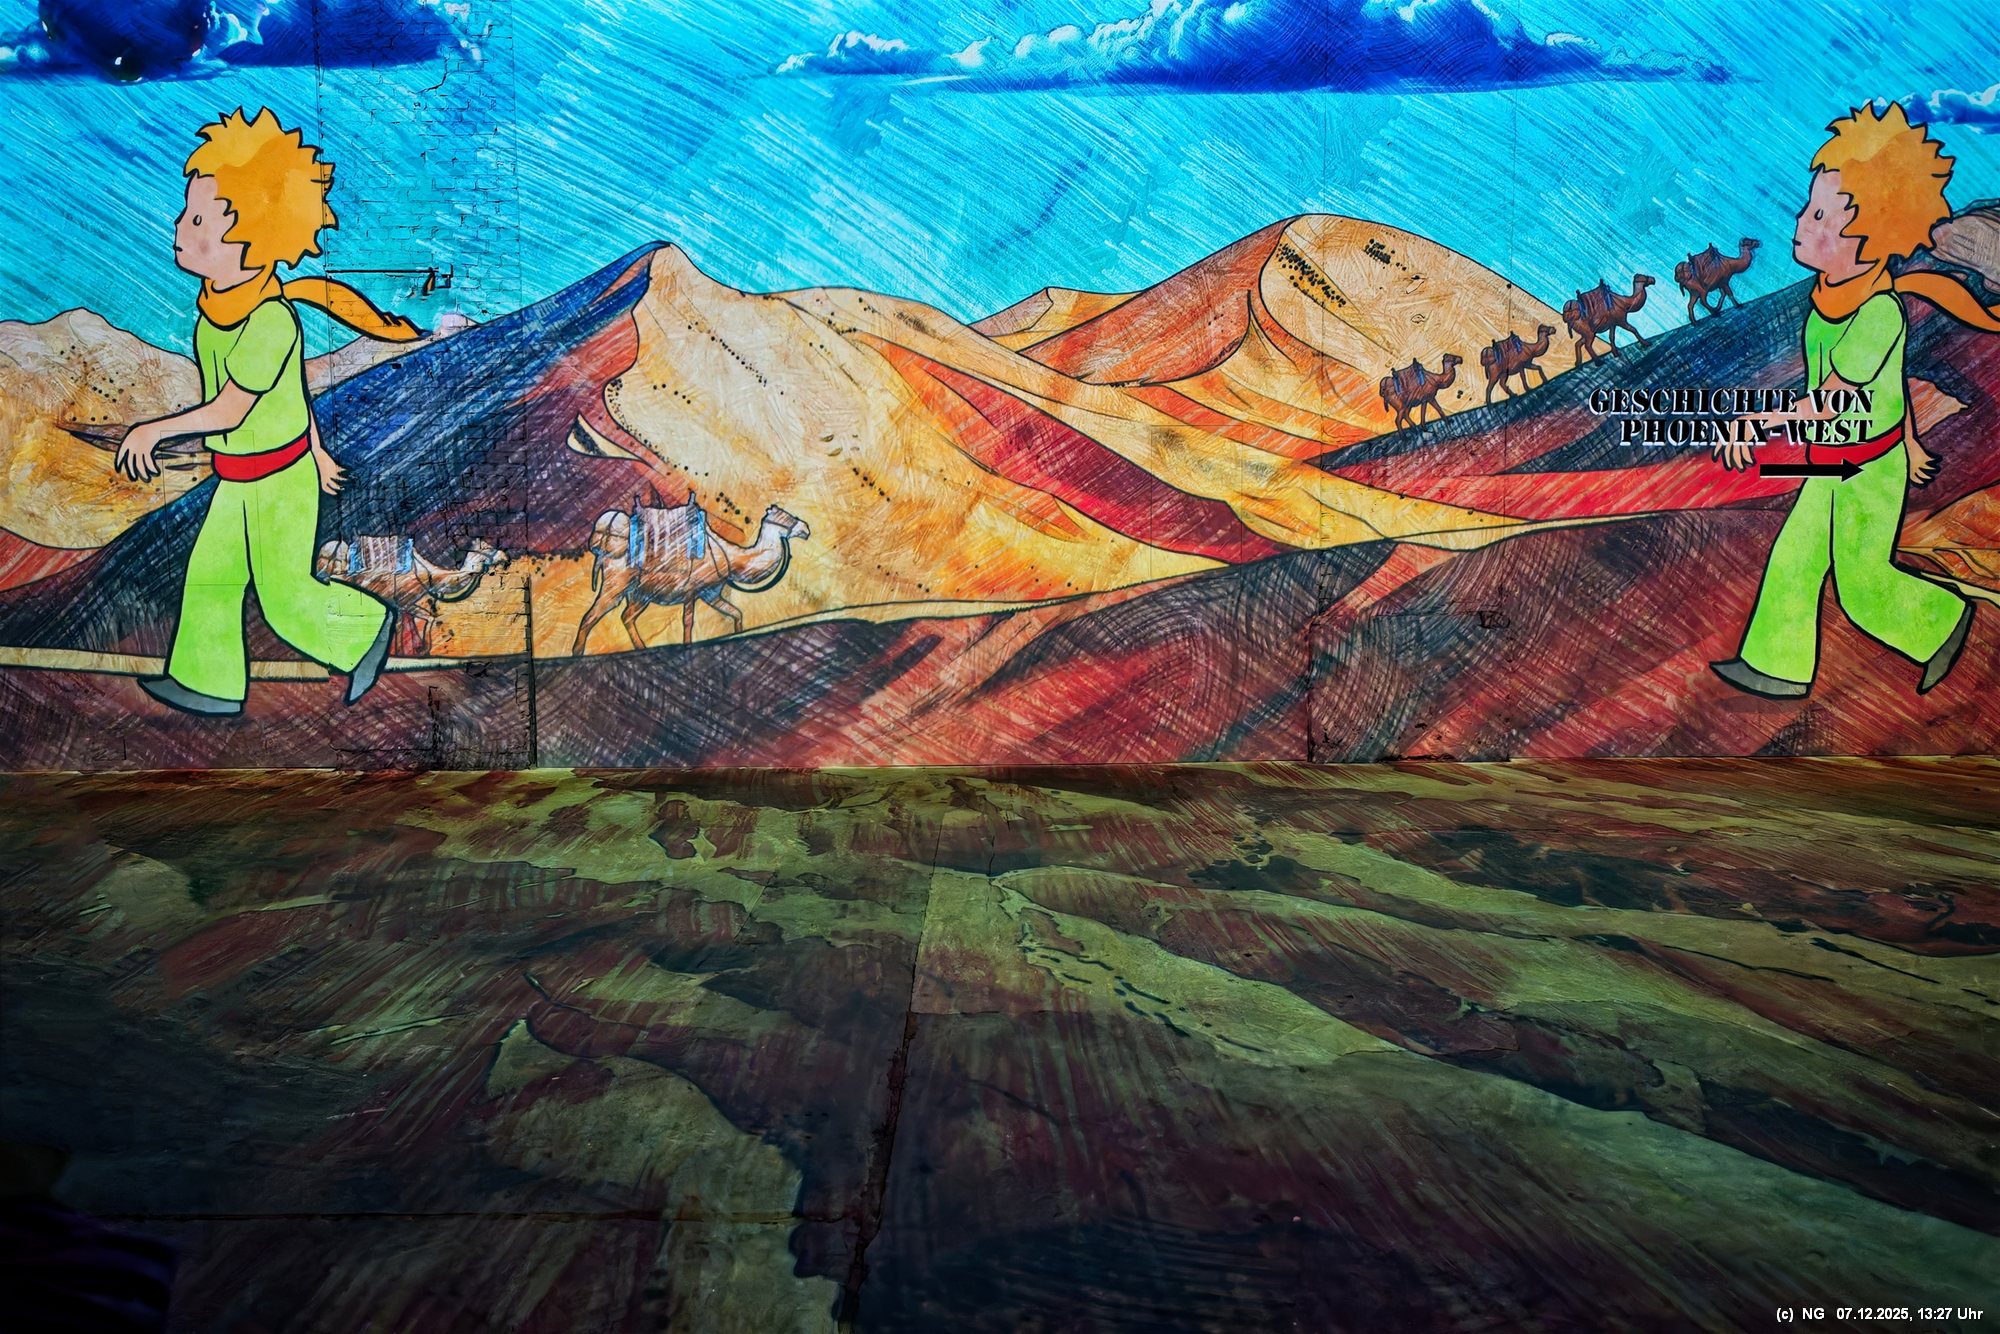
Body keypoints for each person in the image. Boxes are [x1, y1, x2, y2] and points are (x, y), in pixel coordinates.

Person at [113, 108, 423, 717]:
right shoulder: (217, 307)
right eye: (186, 213)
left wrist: (155, 430)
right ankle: (207, 682)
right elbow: (292, 395)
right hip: (238, 477)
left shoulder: (269, 320)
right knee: (211, 577)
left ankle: (365, 630)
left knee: (284, 600)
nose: (179, 226)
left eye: (197, 219)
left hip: (279, 480)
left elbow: (232, 408)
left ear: (251, 237)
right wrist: (320, 448)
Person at [1711, 100, 1998, 699]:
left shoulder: (1877, 313)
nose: (1801, 222)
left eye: (1820, 214)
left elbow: (1832, 401)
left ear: (1871, 236)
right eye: (1808, 208)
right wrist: (1913, 440)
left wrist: (1756, 424)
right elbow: (1888, 385)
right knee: (1794, 557)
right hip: (1833, 459)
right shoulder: (1829, 300)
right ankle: (1775, 667)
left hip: (1867, 469)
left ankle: (1941, 621)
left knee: (1862, 586)